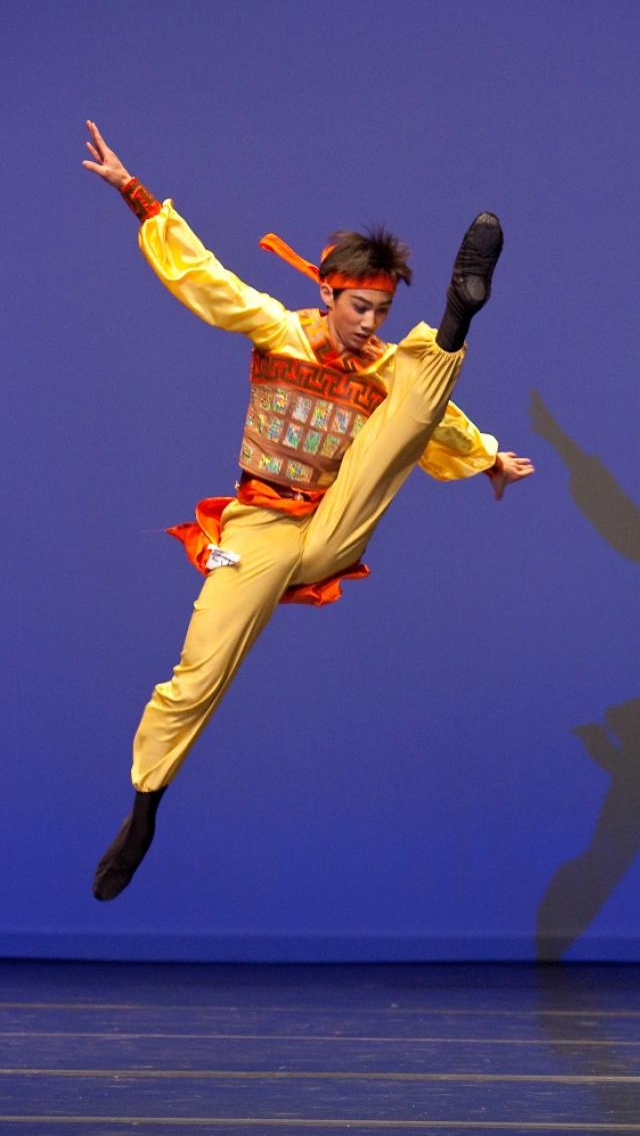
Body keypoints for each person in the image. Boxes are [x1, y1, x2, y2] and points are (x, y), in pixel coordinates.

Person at [82, 119, 534, 901]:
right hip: (259, 528)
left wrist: (487, 456)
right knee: (197, 675)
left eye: (381, 312)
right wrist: (135, 193)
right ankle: (145, 808)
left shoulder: (387, 364)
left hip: (332, 523)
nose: (369, 324)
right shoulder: (278, 328)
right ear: (327, 292)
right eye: (359, 307)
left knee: (407, 399)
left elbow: (429, 423)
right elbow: (204, 277)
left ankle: (456, 323)